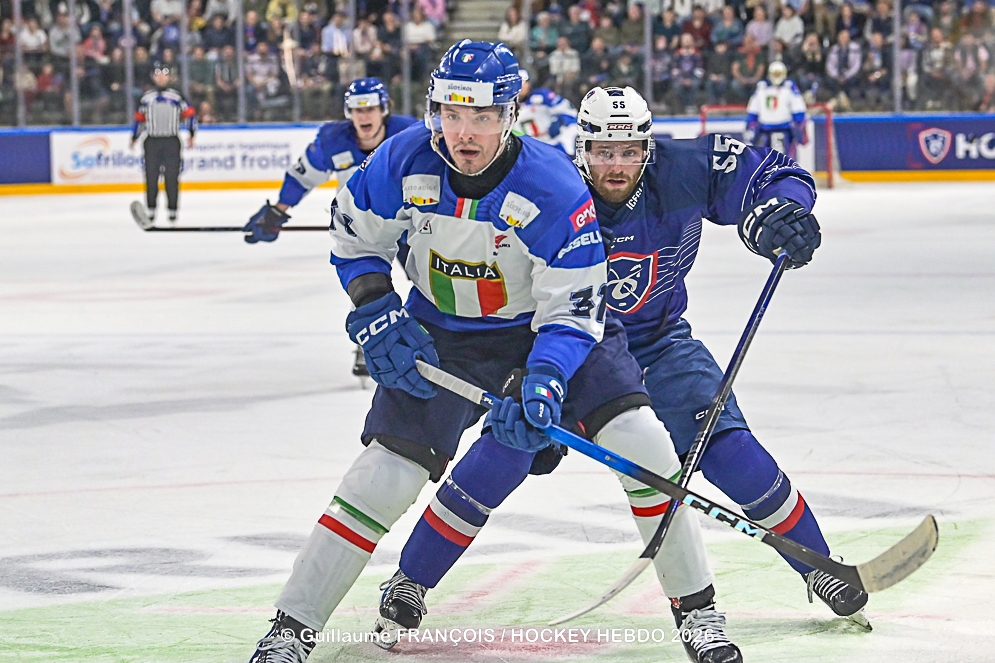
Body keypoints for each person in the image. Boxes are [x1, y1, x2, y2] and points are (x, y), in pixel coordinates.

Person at [246, 41, 742, 663]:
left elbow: (573, 307)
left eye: (481, 116)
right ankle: (292, 627)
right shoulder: (401, 160)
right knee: (382, 476)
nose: (464, 133)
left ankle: (698, 611)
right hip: (443, 334)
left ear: (509, 115)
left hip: (548, 333)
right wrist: (374, 307)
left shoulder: (553, 185)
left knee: (644, 446)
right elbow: (354, 235)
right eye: (451, 114)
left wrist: (544, 379)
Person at [388, 85, 870, 645]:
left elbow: (778, 174)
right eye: (603, 152)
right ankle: (409, 580)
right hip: (563, 348)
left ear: (648, 147)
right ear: (582, 148)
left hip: (658, 343)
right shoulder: (548, 185)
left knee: (729, 449)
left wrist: (781, 211)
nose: (616, 166)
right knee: (503, 454)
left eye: (629, 152)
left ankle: (817, 564)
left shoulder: (685, 168)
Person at [243, 77, 418, 245]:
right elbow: (302, 178)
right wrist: (275, 213)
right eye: (358, 110)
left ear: (383, 110)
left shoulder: (408, 135)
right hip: (358, 229)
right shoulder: (333, 141)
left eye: (370, 109)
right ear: (349, 112)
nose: (364, 117)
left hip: (407, 222)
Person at [130, 62, 196, 226]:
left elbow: (190, 115)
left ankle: (172, 210)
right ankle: (151, 209)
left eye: (164, 74)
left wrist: (191, 134)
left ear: (169, 77)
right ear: (153, 77)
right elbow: (139, 120)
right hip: (152, 140)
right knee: (151, 176)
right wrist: (135, 137)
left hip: (171, 140)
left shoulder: (177, 97)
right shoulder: (146, 98)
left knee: (172, 176)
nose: (160, 77)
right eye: (157, 74)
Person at [746, 60, 807, 157]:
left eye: (779, 74)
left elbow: (797, 106)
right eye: (775, 74)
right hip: (764, 129)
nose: (776, 76)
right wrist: (751, 122)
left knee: (782, 158)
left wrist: (799, 121)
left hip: (784, 128)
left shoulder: (789, 87)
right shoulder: (762, 88)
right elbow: (754, 107)